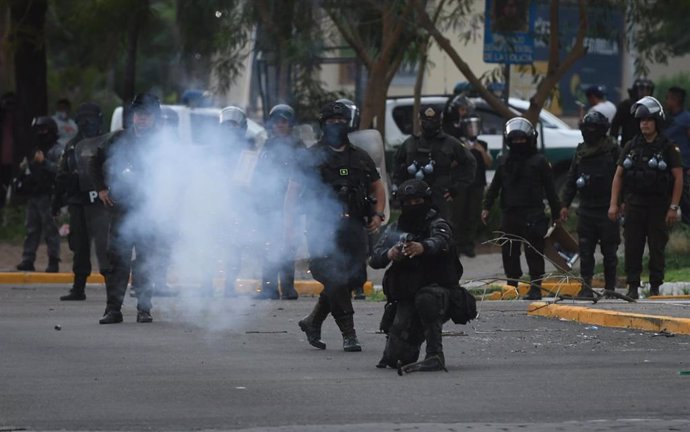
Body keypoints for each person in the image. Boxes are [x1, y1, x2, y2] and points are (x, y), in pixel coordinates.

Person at [295, 101, 386, 352]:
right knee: (333, 276)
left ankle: (312, 322)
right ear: (323, 125)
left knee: (351, 278)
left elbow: (377, 186)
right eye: (332, 122)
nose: (337, 125)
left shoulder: (359, 156)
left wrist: (378, 214)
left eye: (342, 121)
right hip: (321, 231)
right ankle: (349, 334)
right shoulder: (312, 156)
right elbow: (293, 191)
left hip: (354, 228)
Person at [370, 179, 464, 371]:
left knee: (427, 298)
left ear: (426, 200)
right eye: (408, 203)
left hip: (440, 294)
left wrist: (423, 247)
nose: (413, 207)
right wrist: (391, 254)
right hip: (408, 296)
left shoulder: (438, 224)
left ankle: (435, 354)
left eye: (417, 202)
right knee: (396, 357)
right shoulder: (396, 229)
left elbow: (440, 241)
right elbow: (374, 258)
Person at [92, 93, 162, 324]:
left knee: (145, 262)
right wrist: (101, 188)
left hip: (148, 212)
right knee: (116, 260)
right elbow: (95, 160)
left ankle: (144, 309)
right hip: (121, 210)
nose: (142, 119)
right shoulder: (118, 139)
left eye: (147, 116)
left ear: (155, 118)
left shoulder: (162, 144)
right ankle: (113, 309)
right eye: (138, 115)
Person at [609, 96, 684, 299]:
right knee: (632, 246)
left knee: (657, 248)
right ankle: (632, 285)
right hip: (634, 205)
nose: (645, 124)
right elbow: (618, 176)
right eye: (642, 120)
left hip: (659, 206)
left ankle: (654, 286)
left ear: (656, 122)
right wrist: (613, 204)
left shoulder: (668, 147)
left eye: (649, 120)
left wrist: (673, 207)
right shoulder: (631, 146)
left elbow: (678, 178)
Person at [482, 117, 561, 300]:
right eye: (515, 140)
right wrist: (486, 207)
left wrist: (557, 214)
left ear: (530, 139)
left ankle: (535, 288)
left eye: (522, 140)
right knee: (509, 252)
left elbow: (551, 190)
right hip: (510, 214)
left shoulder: (539, 161)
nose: (518, 143)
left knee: (534, 252)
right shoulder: (504, 161)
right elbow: (495, 187)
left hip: (533, 214)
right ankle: (512, 287)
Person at [53, 103, 110, 301]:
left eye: (91, 119)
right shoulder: (71, 146)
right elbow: (62, 174)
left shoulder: (107, 143)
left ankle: (113, 292)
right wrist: (57, 201)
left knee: (105, 248)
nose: (87, 124)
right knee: (79, 247)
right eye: (83, 120)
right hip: (78, 203)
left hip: (101, 204)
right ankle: (78, 288)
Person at [560, 112, 620, 298]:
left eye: (594, 128)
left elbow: (622, 178)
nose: (590, 132)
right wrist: (564, 205)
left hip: (607, 209)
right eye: (588, 128)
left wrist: (620, 203)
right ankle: (586, 287)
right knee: (585, 251)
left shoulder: (613, 150)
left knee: (609, 252)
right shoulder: (581, 151)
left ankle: (610, 288)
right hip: (586, 209)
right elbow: (571, 179)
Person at [198, 105, 257, 298]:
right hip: (213, 203)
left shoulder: (248, 151)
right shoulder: (211, 151)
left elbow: (246, 182)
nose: (230, 130)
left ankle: (229, 285)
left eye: (234, 126)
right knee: (209, 246)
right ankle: (206, 284)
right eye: (227, 126)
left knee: (233, 248)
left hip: (237, 205)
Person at [253, 104, 304, 300]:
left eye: (284, 121)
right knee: (268, 246)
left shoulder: (298, 147)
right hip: (269, 203)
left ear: (290, 124)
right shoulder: (268, 146)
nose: (280, 125)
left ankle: (288, 287)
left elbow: (304, 175)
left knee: (288, 246)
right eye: (277, 121)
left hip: (291, 204)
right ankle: (269, 287)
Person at [393, 104, 476, 220]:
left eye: (433, 120)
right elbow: (397, 162)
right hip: (413, 200)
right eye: (425, 120)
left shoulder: (450, 143)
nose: (429, 124)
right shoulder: (410, 143)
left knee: (441, 232)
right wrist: (399, 186)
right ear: (420, 121)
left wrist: (456, 188)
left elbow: (470, 163)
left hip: (439, 198)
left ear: (440, 120)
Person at [15, 117, 64, 273]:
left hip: (49, 195)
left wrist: (44, 163)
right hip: (34, 195)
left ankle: (53, 261)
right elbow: (27, 169)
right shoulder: (35, 149)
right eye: (38, 130)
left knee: (51, 230)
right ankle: (28, 259)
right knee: (31, 229)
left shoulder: (57, 150)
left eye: (43, 130)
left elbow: (61, 171)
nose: (40, 133)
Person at [452, 115, 492, 257]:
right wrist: (464, 152)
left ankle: (468, 245)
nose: (473, 129)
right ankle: (456, 245)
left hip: (477, 184)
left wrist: (481, 151)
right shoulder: (458, 144)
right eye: (470, 126)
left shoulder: (482, 144)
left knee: (473, 214)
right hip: (461, 185)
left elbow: (489, 163)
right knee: (458, 215)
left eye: (475, 126)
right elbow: (452, 164)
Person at [663, 86, 690, 226]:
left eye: (668, 98)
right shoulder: (665, 119)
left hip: (683, 167)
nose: (665, 101)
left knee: (686, 204)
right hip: (666, 167)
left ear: (675, 100)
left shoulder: (686, 119)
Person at [611, 78, 654, 147]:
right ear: (636, 90)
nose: (645, 92)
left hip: (649, 145)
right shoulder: (626, 105)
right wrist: (614, 144)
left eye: (648, 89)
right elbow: (615, 125)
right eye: (642, 89)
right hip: (628, 144)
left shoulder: (654, 106)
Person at [1, 92, 21, 208]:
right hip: (3, 161)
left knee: (15, 188)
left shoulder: (19, 122)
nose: (10, 107)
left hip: (14, 161)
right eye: (7, 104)